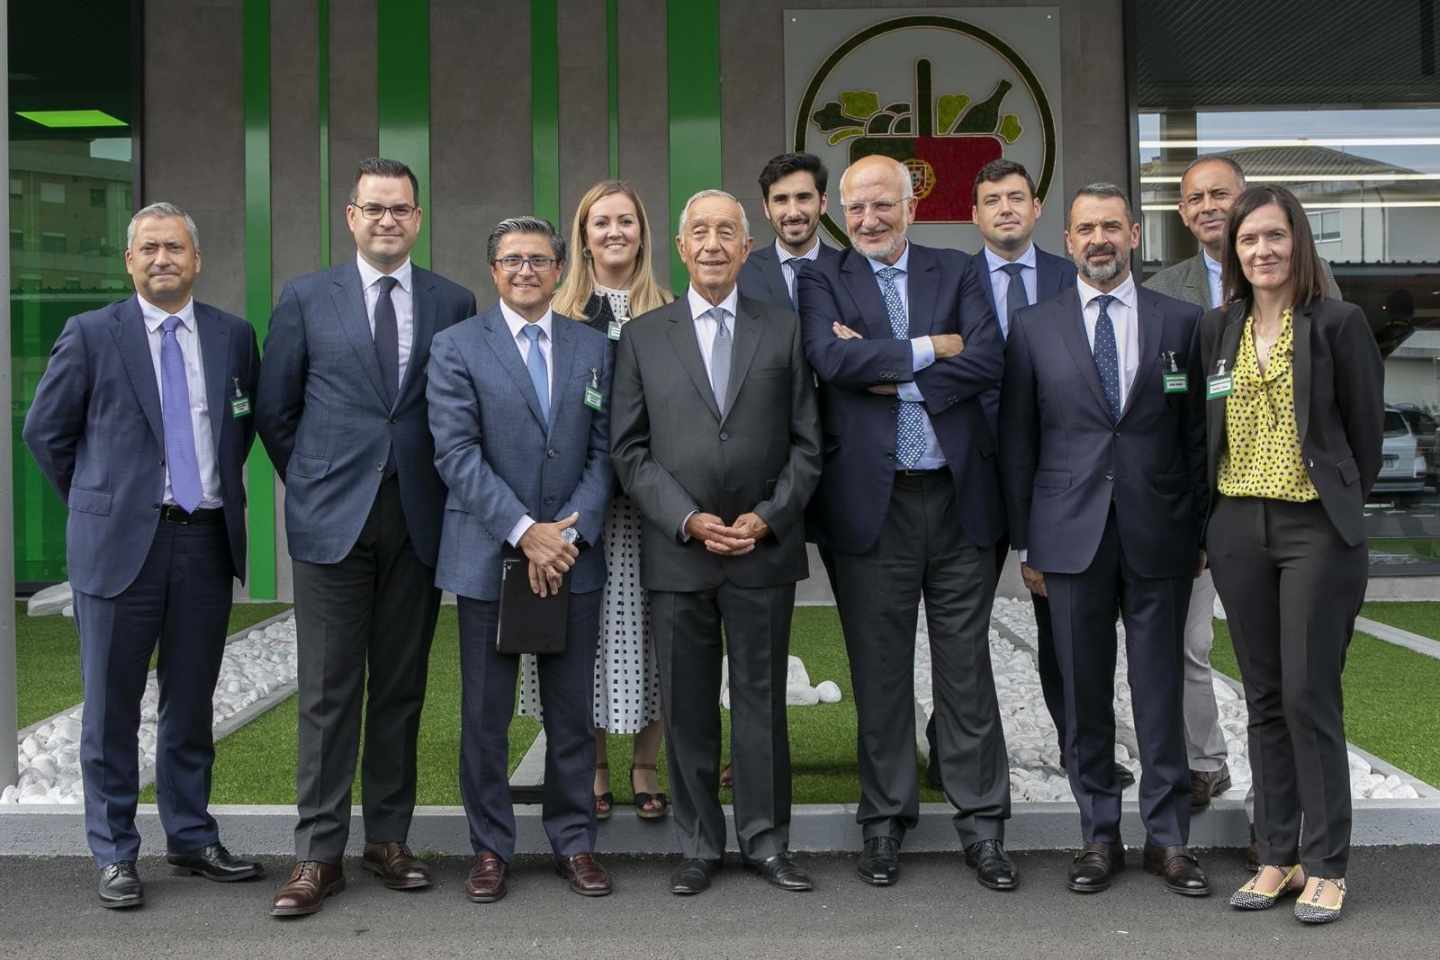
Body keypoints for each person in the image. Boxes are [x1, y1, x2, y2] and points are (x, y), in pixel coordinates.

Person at [24, 201, 263, 908]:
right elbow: (46, 432)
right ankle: (115, 852)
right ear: (130, 261)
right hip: (117, 547)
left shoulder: (232, 336)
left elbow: (236, 432)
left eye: (176, 249)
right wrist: (101, 499)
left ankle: (191, 836)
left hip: (203, 541)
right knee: (110, 708)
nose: (163, 259)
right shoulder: (92, 334)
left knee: (191, 701)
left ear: (198, 260)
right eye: (150, 248)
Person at [256, 158, 477, 917]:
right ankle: (317, 854)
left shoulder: (454, 301)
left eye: (401, 209)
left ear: (418, 218)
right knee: (327, 691)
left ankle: (387, 839)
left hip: (419, 517)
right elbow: (274, 411)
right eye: (374, 208)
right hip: (331, 521)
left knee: (401, 687)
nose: (388, 220)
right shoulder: (306, 297)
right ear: (351, 216)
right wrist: (318, 480)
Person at [797, 155, 1015, 892]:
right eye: (855, 209)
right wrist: (931, 351)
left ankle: (983, 825)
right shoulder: (823, 277)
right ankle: (884, 820)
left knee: (966, 672)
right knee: (880, 673)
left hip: (958, 502)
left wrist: (886, 372)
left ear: (910, 207)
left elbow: (987, 360)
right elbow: (830, 362)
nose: (867, 221)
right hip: (870, 508)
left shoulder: (956, 273)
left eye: (881, 206)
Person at [999, 183, 1209, 897]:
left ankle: (1169, 839)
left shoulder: (1184, 323)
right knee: (1084, 693)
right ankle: (1097, 834)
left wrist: (1201, 528)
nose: (1099, 240)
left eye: (1111, 227)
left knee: (1159, 690)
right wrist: (1026, 542)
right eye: (1086, 228)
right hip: (1067, 538)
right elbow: (1018, 440)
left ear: (1135, 235)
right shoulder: (1034, 326)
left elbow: (1198, 437)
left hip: (1161, 534)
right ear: (1068, 239)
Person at [610, 189, 822, 896]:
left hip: (762, 550)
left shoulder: (783, 330)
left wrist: (767, 516)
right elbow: (629, 450)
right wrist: (687, 519)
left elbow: (807, 445)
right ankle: (698, 842)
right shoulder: (644, 336)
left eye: (725, 232)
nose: (711, 245)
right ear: (678, 246)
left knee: (761, 706)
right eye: (698, 231)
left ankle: (766, 842)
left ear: (746, 246)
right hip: (679, 551)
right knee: (689, 708)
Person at [1200, 186, 1382, 924]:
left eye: (1274, 237)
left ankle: (1328, 864)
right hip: (1239, 526)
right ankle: (1277, 856)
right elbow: (1203, 427)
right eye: (1249, 240)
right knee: (1264, 699)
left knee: (1310, 695)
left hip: (1314, 530)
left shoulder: (1338, 323)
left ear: (1297, 243)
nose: (1262, 251)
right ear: (1234, 252)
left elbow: (1364, 436)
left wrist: (1334, 501)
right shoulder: (1218, 329)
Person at [1145, 155, 1340, 816]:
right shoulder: (1168, 289)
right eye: (1194, 197)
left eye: (1220, 194)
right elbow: (1179, 403)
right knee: (1195, 647)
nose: (1208, 207)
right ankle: (1209, 765)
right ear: (1181, 212)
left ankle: (1295, 833)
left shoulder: (1316, 293)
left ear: (1243, 200)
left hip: (1299, 513)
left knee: (1296, 681)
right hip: (1215, 509)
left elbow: (1351, 419)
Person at [428, 216, 615, 902]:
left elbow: (606, 451)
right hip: (488, 555)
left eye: (540, 260)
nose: (527, 270)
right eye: (513, 260)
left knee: (572, 715)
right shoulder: (455, 347)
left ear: (562, 267)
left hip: (572, 557)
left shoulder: (595, 347)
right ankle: (489, 849)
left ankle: (574, 844)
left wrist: (566, 535)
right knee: (485, 716)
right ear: (494, 270)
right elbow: (455, 452)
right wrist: (522, 530)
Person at [538, 180, 672, 821]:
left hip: (652, 507)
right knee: (585, 640)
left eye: (626, 220)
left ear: (643, 231)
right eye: (601, 222)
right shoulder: (557, 313)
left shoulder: (671, 307)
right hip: (583, 508)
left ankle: (646, 766)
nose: (615, 231)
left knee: (654, 635)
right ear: (583, 235)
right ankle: (591, 768)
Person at [738, 152, 842, 309]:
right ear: (766, 208)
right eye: (781, 200)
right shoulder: (741, 274)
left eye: (803, 197)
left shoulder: (849, 272)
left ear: (822, 203)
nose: (793, 213)